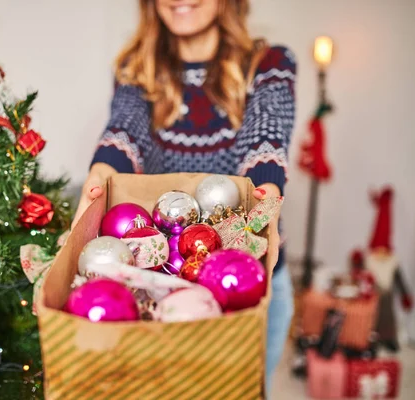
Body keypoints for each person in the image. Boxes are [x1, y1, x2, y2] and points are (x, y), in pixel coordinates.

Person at [73, 0, 296, 393]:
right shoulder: (135, 66)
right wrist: (98, 178)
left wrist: (266, 193)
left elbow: (265, 139)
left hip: (249, 282)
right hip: (159, 285)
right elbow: (124, 134)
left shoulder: (270, 62)